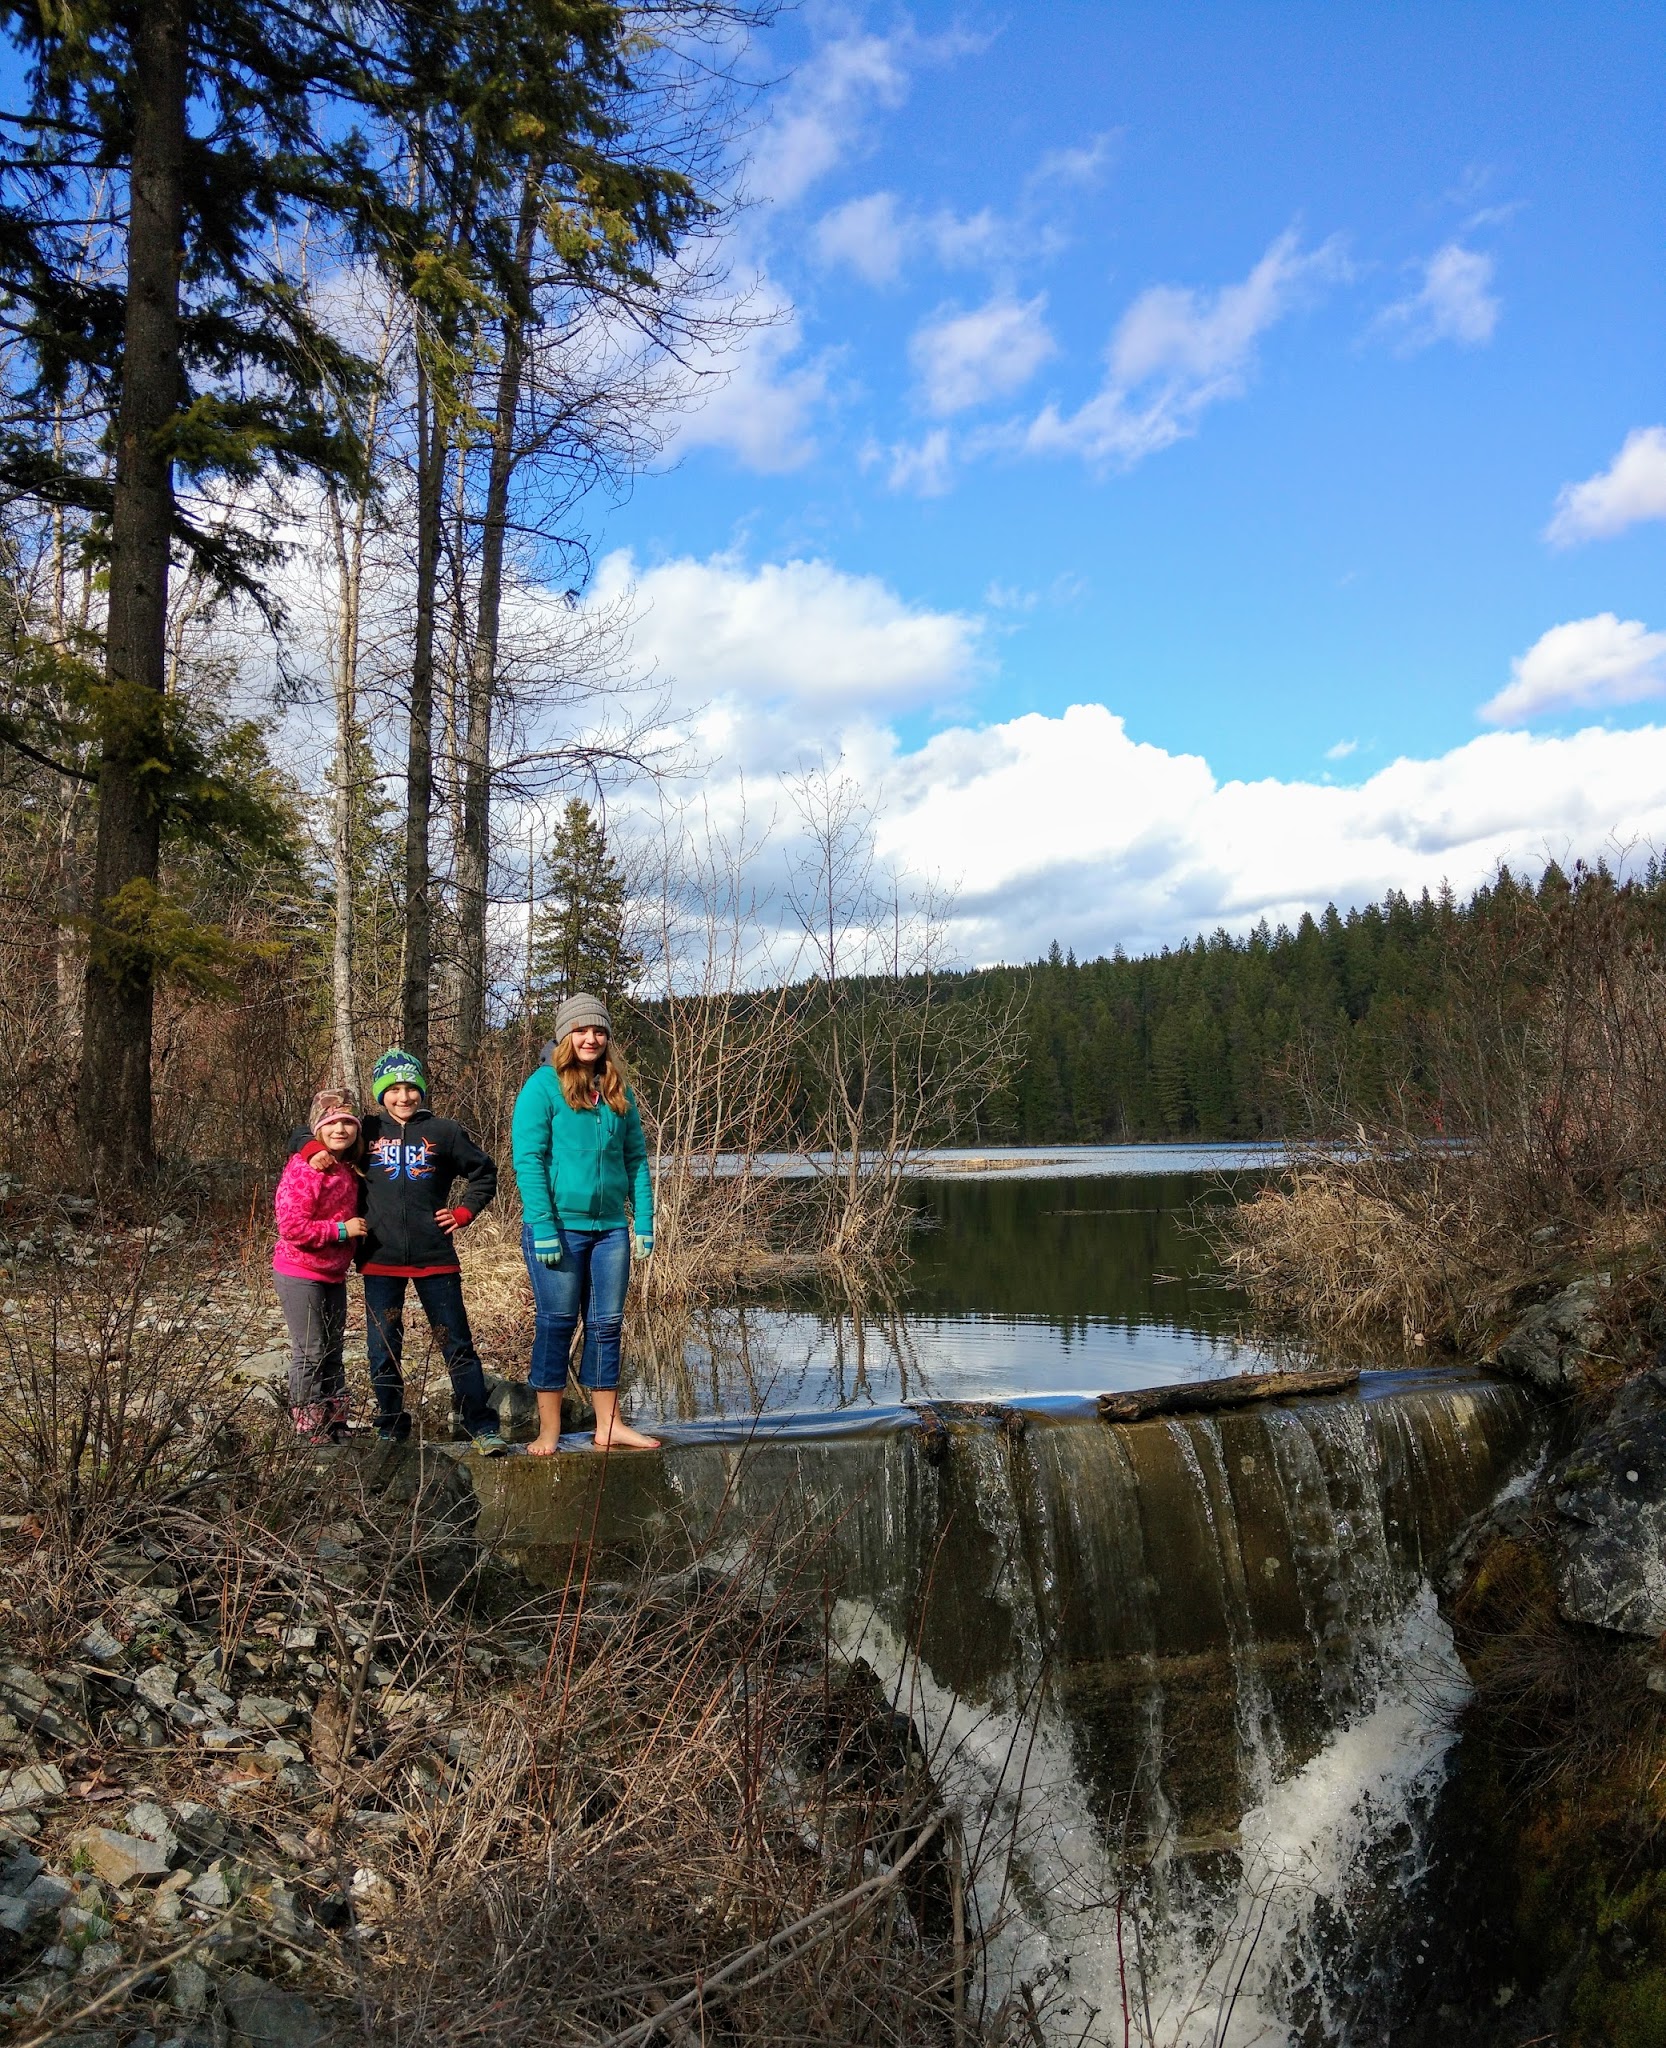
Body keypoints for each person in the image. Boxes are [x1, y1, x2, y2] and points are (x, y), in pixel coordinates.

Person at [302, 1048, 508, 1454]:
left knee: (456, 1345)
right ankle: (391, 1426)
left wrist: (465, 1211)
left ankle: (480, 1426)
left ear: (421, 1091)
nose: (403, 1097)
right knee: (383, 1349)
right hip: (381, 1260)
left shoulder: (445, 1132)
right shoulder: (364, 1130)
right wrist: (314, 1151)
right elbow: (306, 1134)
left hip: (436, 1260)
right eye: (393, 1089)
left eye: (411, 1088)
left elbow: (484, 1172)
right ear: (381, 1094)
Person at [511, 993, 659, 1453]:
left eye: (598, 1031)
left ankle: (609, 1425)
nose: (590, 1038)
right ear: (564, 1036)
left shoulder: (618, 1091)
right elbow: (528, 1161)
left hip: (610, 1229)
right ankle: (550, 1430)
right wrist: (543, 1225)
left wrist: (644, 1222)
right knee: (556, 1324)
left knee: (606, 1325)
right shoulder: (542, 1087)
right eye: (581, 1030)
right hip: (557, 1228)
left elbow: (635, 1158)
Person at [272, 1089, 367, 1442]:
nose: (340, 1129)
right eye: (332, 1123)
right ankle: (307, 1422)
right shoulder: (305, 1167)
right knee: (310, 1350)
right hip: (299, 1271)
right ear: (318, 1129)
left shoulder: (349, 1167)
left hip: (333, 1272)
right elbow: (291, 1228)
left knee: (333, 1348)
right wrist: (343, 1230)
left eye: (348, 1122)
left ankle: (335, 1418)